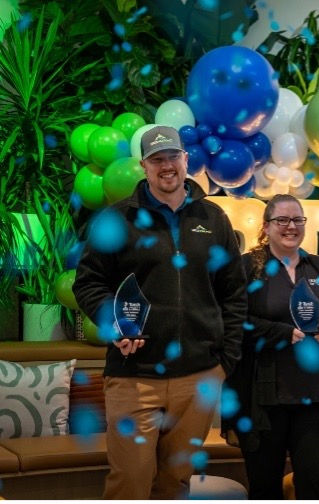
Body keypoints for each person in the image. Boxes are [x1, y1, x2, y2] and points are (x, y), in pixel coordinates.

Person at [73, 125, 247, 499]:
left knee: (175, 485)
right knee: (129, 483)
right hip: (134, 377)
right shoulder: (118, 220)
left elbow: (234, 292)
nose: (166, 166)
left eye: (172, 157)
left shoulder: (214, 219)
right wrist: (114, 324)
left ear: (186, 160)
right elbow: (87, 283)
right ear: (144, 166)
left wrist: (224, 361)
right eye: (157, 160)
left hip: (199, 377)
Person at [223, 193, 319, 499]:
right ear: (266, 226)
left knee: (316, 484)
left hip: (315, 399)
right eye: (282, 220)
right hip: (263, 399)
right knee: (265, 487)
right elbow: (233, 321)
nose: (291, 226)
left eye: (297, 220)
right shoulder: (246, 268)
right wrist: (282, 333)